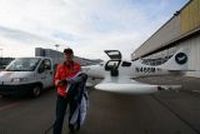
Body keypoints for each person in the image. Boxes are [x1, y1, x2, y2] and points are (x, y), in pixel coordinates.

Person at [53, 48, 81, 134]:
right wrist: (58, 82)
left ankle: (71, 128)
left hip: (73, 95)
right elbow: (56, 79)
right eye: (66, 54)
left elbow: (80, 78)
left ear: (72, 55)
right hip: (62, 95)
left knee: (73, 115)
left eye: (70, 54)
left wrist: (81, 79)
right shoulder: (59, 66)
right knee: (59, 117)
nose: (68, 55)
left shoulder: (77, 66)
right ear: (64, 56)